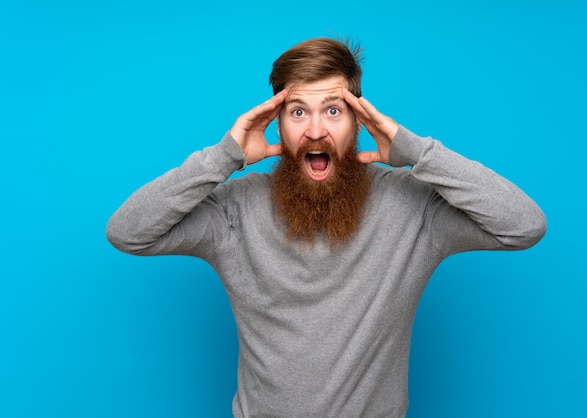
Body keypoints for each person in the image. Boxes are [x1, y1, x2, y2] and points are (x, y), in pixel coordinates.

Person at [106, 37, 546, 417]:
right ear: (275, 122)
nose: (316, 130)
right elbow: (128, 231)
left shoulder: (412, 207)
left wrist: (417, 151)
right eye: (297, 112)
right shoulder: (234, 212)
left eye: (333, 110)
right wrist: (224, 157)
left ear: (359, 121)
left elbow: (524, 225)